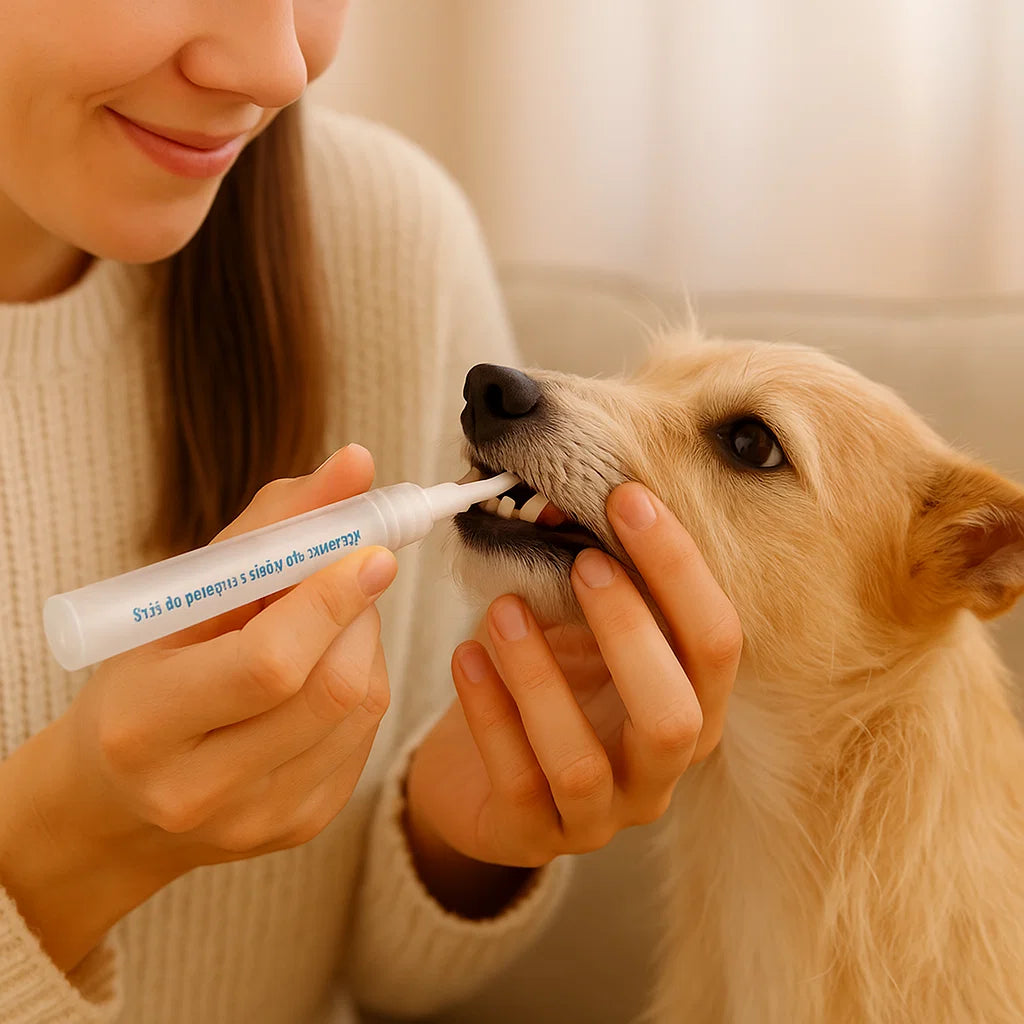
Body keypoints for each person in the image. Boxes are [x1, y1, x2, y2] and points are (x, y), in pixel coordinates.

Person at [0, 2, 742, 1022]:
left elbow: (365, 974)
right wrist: (64, 851)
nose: (274, 68)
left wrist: (458, 828)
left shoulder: (384, 235)